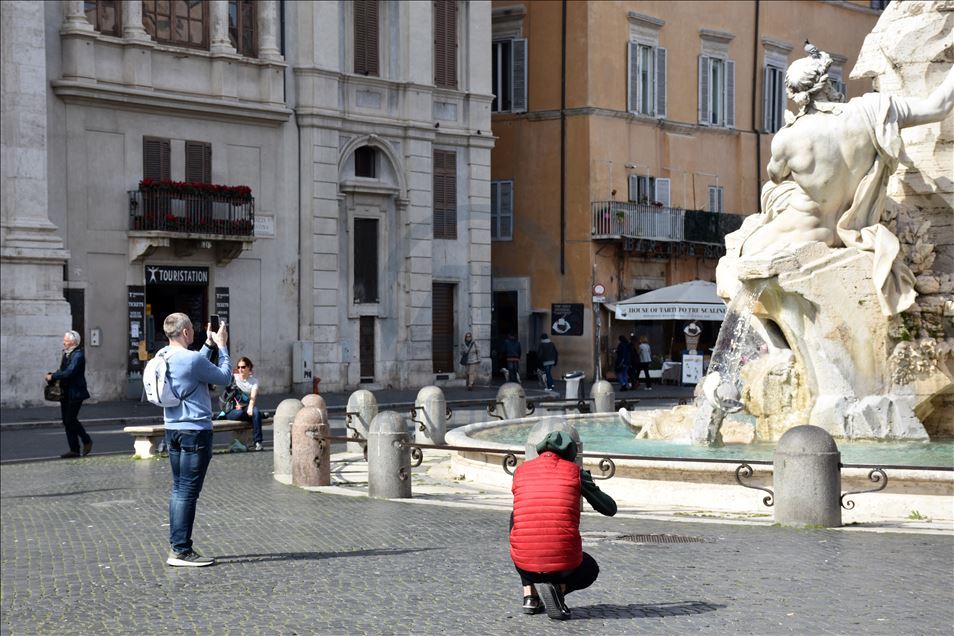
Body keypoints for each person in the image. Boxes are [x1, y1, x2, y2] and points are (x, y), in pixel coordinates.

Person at [741, 43, 954, 315]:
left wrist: (791, 127)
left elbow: (775, 176)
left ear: (794, 94)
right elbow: (938, 107)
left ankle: (780, 350)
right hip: (847, 232)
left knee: (741, 253)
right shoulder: (872, 110)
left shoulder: (788, 137)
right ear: (828, 83)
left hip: (800, 234)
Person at [510, 431, 617, 620]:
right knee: (590, 569)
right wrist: (588, 484)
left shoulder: (520, 471)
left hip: (524, 563)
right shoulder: (575, 472)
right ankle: (558, 590)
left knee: (521, 520)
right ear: (571, 453)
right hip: (565, 565)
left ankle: (530, 596)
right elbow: (609, 508)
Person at [160, 312, 232, 567]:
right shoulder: (189, 359)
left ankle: (176, 545)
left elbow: (193, 367)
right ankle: (181, 550)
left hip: (172, 429)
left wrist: (208, 345)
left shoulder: (163, 355)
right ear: (186, 332)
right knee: (188, 492)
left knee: (179, 489)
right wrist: (222, 347)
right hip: (195, 430)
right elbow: (224, 377)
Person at [46, 330, 92, 459]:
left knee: (70, 419)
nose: (63, 342)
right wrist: (53, 376)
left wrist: (53, 376)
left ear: (73, 342)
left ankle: (86, 440)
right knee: (66, 421)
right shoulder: (66, 354)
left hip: (76, 393)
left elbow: (70, 372)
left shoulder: (78, 355)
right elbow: (63, 371)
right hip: (65, 392)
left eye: (66, 341)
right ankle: (74, 449)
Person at [223, 356, 264, 451]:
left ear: (249, 367)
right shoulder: (233, 378)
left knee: (255, 411)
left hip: (246, 408)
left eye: (243, 367)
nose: (240, 369)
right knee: (244, 413)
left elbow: (253, 397)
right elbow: (226, 394)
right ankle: (256, 417)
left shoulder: (254, 381)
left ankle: (258, 442)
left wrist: (250, 408)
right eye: (239, 367)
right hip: (232, 409)